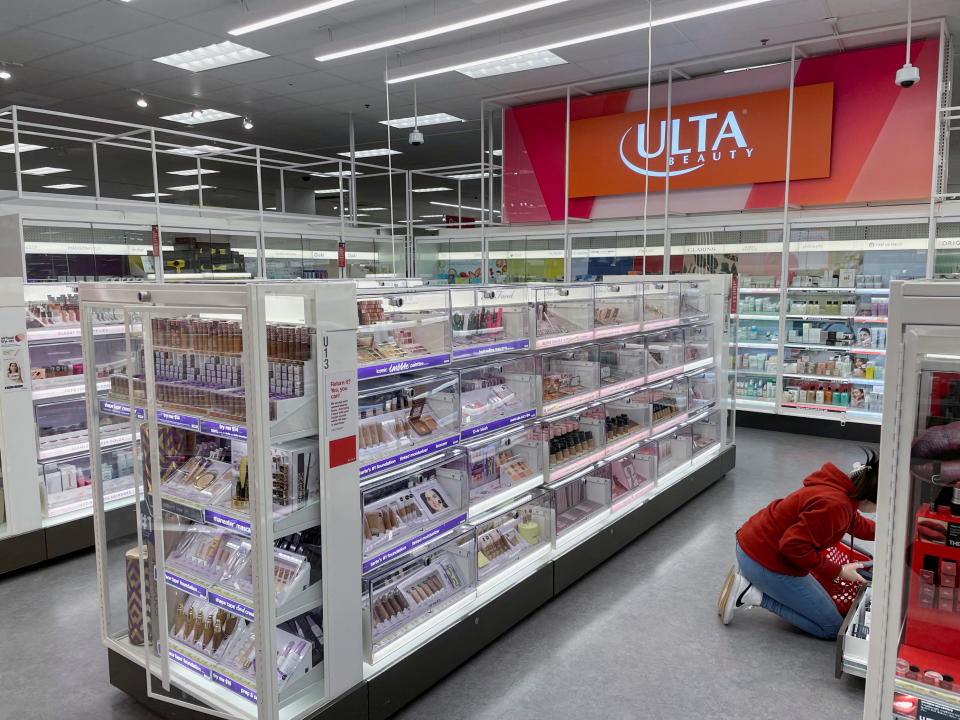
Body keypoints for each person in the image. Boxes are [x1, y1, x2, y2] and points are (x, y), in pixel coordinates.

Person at [717, 449, 878, 639]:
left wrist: (891, 531)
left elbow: (854, 523)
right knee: (832, 627)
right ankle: (750, 593)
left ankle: (754, 581)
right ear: (870, 498)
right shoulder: (836, 505)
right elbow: (793, 546)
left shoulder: (841, 492)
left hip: (753, 544)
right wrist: (839, 571)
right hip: (765, 560)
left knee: (826, 611)